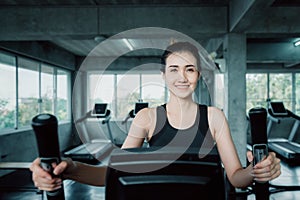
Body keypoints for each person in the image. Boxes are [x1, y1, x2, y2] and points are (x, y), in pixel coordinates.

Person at [30, 41, 281, 191]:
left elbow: (236, 177)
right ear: (163, 76)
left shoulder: (214, 117)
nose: (181, 77)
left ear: (198, 75)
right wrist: (68, 168)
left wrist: (256, 172)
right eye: (174, 69)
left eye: (189, 69)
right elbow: (114, 174)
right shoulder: (147, 118)